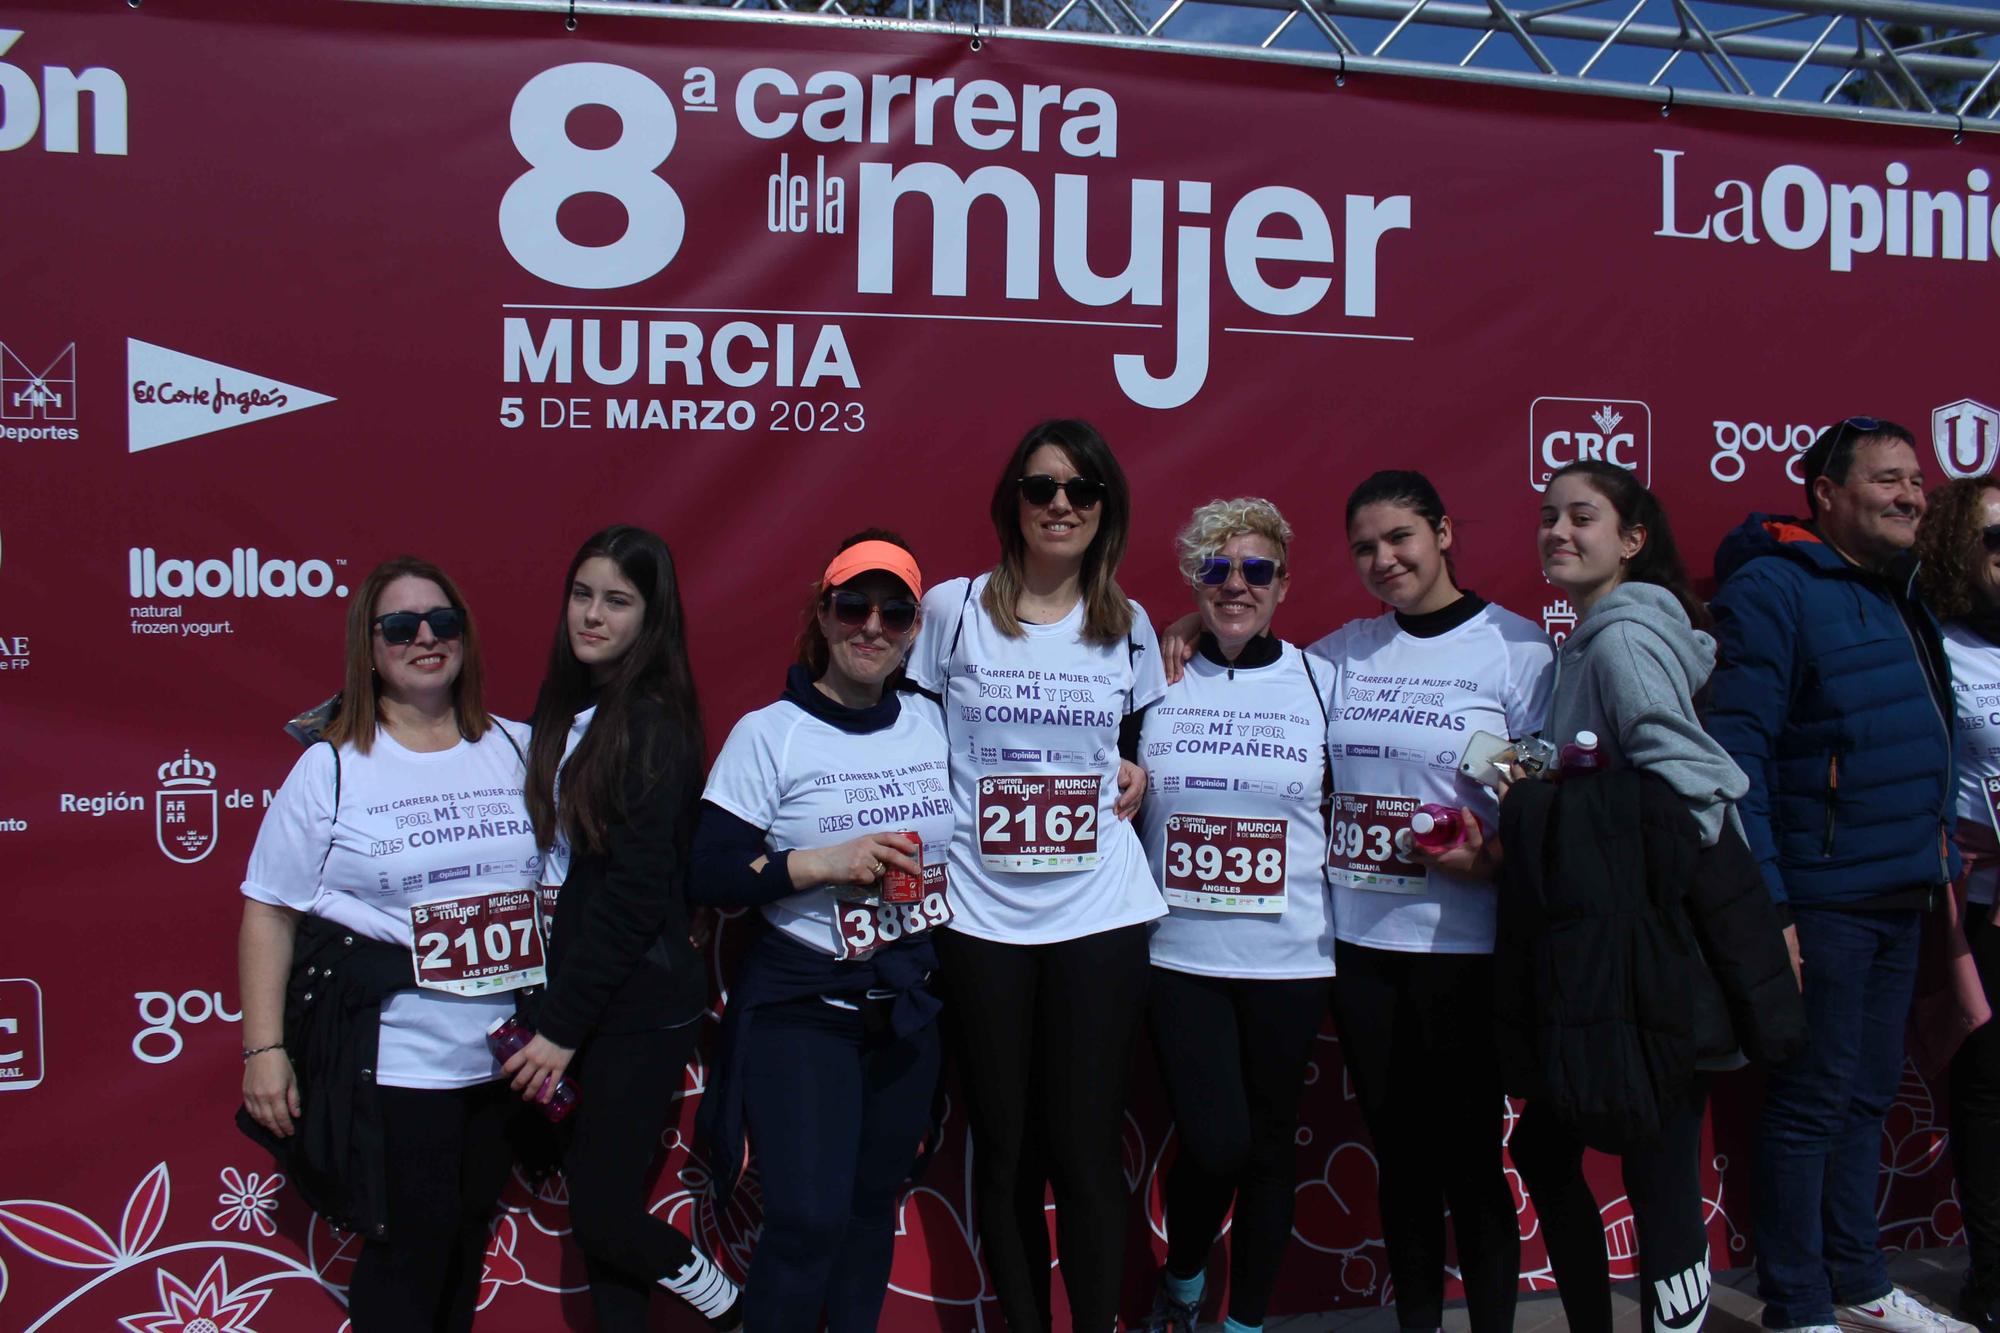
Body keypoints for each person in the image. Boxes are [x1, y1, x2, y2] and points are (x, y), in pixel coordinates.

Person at [1707, 418, 1967, 1333]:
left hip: (1901, 886)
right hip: (1821, 894)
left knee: (1863, 1095)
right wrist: (1771, 898)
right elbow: (1737, 752)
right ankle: (1799, 1301)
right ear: (1826, 493)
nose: (1909, 495)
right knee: (1812, 1100)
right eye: (1887, 479)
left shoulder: (1899, 590)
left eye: (1915, 480)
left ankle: (1860, 1278)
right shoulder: (1775, 587)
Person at [904, 419, 1163, 1333]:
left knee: (1086, 1151)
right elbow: (907, 743)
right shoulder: (951, 610)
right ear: (1011, 499)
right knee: (1007, 1149)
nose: (1061, 504)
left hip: (1101, 912)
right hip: (979, 916)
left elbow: (1139, 755)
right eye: (1042, 486)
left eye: (1081, 490)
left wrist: (1140, 772)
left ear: (1106, 509)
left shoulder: (1127, 625)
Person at [1504, 459, 1774, 1333]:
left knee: (1656, 1165)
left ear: (1632, 539)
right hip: (1616, 948)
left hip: (1648, 951)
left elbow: (1691, 783)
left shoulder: (1619, 639)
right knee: (1559, 1145)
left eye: (1582, 517)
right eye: (1549, 517)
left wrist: (1551, 810)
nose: (1558, 531)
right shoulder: (1594, 635)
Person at [237, 556, 538, 1332]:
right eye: (400, 627)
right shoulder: (331, 767)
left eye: (443, 622)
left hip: (506, 1059)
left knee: (466, 1247)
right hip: (398, 1065)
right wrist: (262, 1049)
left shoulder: (521, 748)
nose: (426, 639)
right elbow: (269, 910)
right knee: (407, 1259)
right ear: (368, 650)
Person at [1306, 470, 1548, 1333]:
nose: (1384, 559)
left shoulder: (1516, 650)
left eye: (1400, 537)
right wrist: (1188, 626)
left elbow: (1547, 809)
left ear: (1443, 532)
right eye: (1365, 547)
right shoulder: (1340, 653)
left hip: (1468, 950)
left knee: (1472, 1162)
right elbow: (1246, 666)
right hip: (1365, 946)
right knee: (1401, 1161)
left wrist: (1487, 858)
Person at [690, 531, 949, 1333]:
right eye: (853, 606)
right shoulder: (770, 733)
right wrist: (818, 863)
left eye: (895, 611)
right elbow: (711, 869)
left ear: (913, 630)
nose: (872, 626)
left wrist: (1126, 759)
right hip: (804, 1007)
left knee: (873, 1211)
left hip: (907, 1004)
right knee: (806, 1221)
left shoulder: (936, 723)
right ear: (823, 614)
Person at [509, 526, 740, 1330]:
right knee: (601, 1231)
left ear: (652, 615)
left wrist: (563, 1028)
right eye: (582, 594)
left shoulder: (653, 723)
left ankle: (736, 1308)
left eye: (617, 600)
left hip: (633, 1010)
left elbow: (638, 896)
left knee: (605, 1218)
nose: (593, 616)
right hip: (571, 999)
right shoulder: (563, 708)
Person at [1134, 498, 1335, 1333]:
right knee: (1214, 1141)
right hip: (1181, 953)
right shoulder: (1155, 669)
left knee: (1266, 1151)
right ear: (1194, 580)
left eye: (1256, 569)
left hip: (1291, 955)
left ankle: (1245, 1322)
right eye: (1215, 569)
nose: (1235, 584)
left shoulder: (1326, 678)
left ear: (1284, 583)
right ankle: (1183, 1279)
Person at [1914, 477, 2000, 1333]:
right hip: (1982, 908)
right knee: (1990, 1094)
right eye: (1994, 538)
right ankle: (1994, 1276)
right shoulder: (1938, 645)